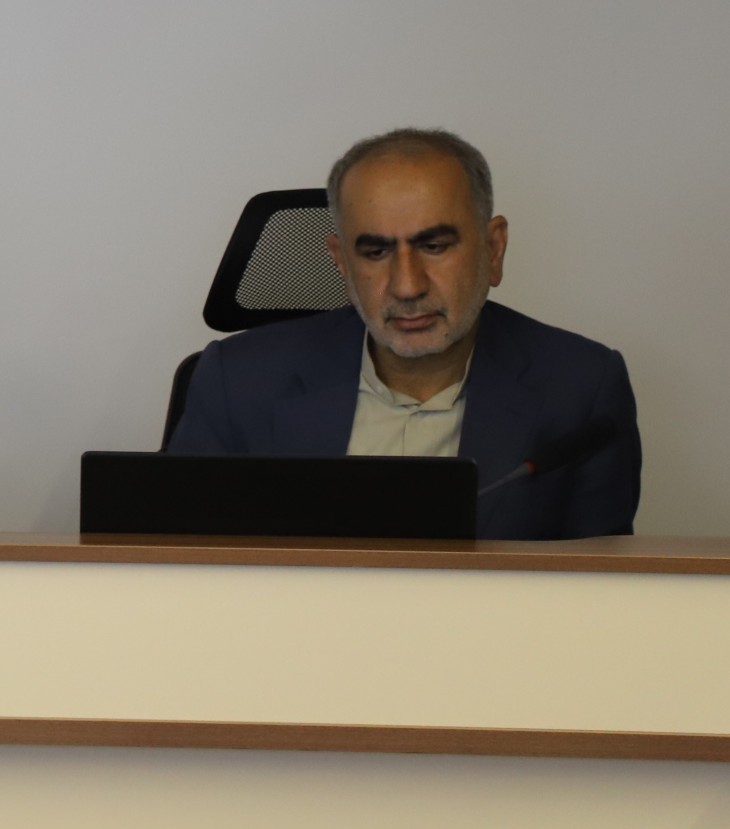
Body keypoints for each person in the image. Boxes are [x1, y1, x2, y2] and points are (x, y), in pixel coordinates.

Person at [168, 128, 638, 539]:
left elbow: (600, 585)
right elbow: (176, 563)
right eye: (375, 253)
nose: (407, 286)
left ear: (494, 249)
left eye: (434, 246)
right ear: (341, 262)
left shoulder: (581, 389)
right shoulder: (236, 381)